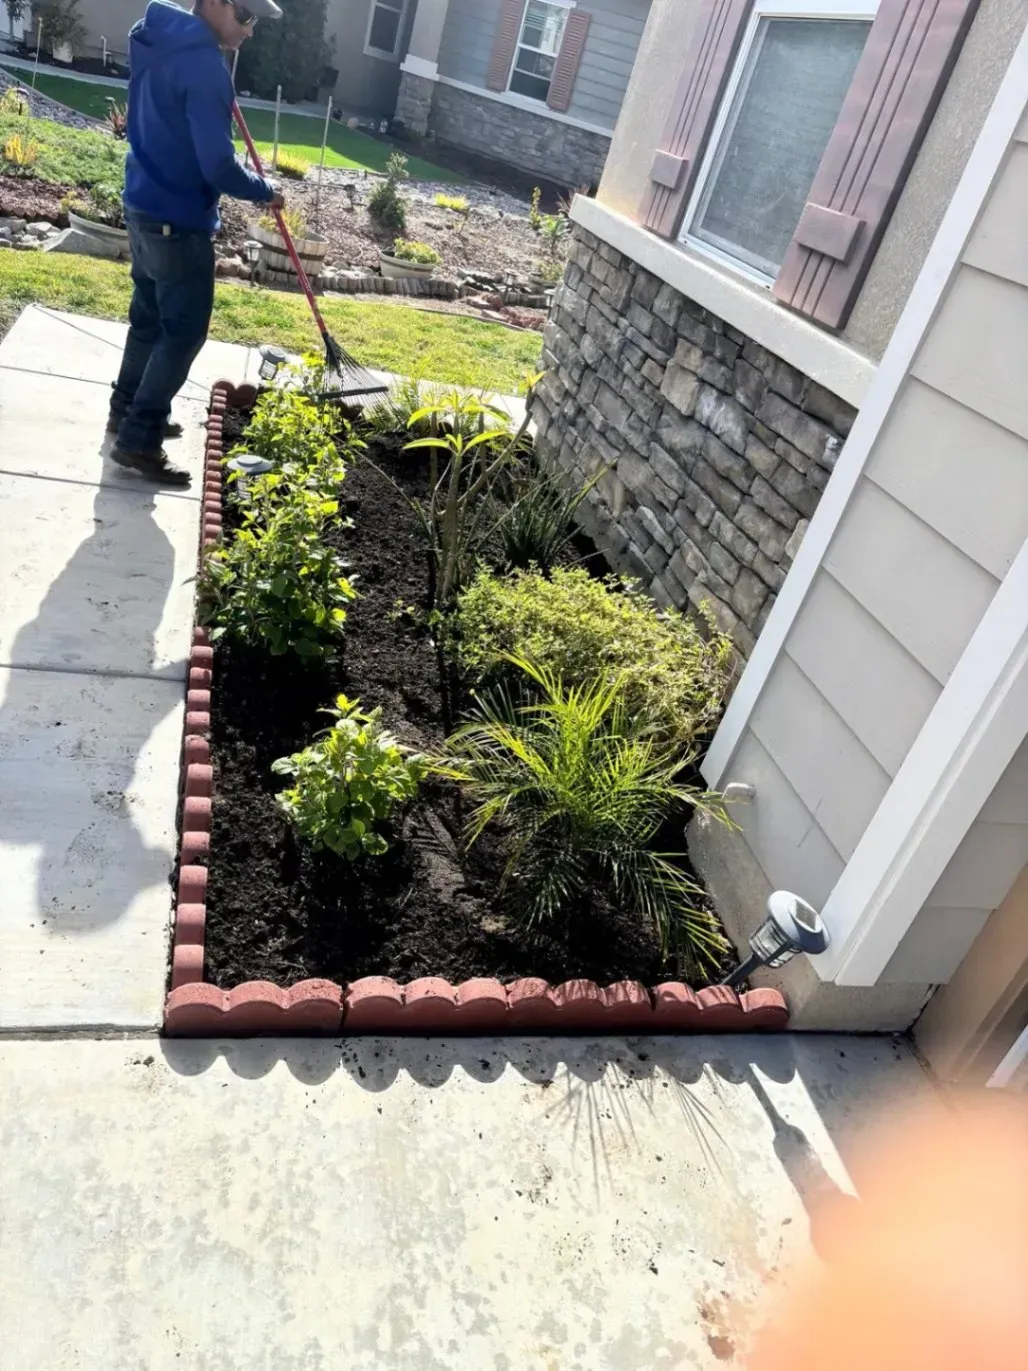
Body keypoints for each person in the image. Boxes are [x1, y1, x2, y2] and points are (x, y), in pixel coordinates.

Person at [109, 0, 285, 487]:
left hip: (142, 203)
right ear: (215, 3)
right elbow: (218, 165)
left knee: (148, 319)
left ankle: (125, 409)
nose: (251, 30)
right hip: (178, 217)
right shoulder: (204, 65)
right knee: (184, 332)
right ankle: (139, 437)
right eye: (246, 15)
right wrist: (265, 191)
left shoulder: (154, 38)